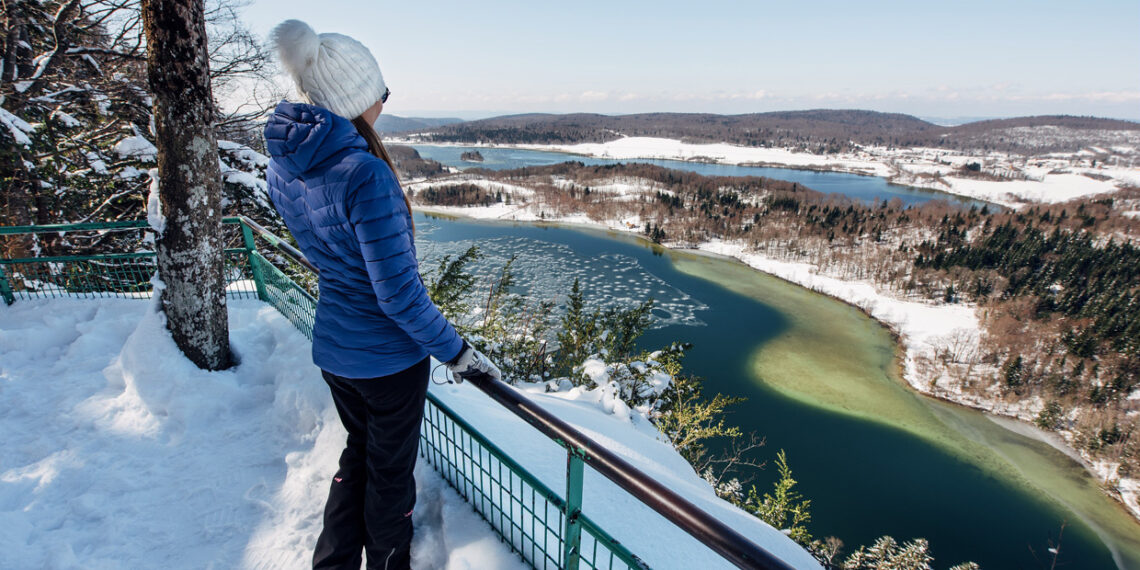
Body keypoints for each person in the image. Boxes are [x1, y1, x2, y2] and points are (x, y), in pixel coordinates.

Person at [263, 19, 501, 570]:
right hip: (387, 361)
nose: (385, 103)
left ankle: (334, 562)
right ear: (357, 99)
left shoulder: (284, 165)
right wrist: (458, 353)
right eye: (381, 93)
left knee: (360, 457)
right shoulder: (365, 174)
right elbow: (398, 296)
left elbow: (326, 255)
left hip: (335, 349)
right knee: (390, 475)